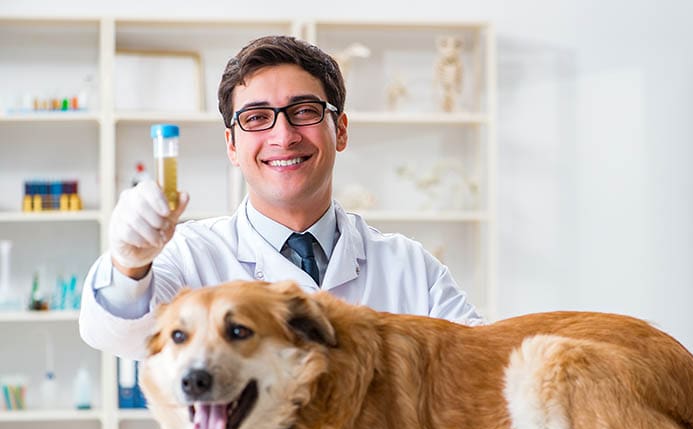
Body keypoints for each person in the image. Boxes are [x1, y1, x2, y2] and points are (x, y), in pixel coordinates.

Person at [79, 35, 482, 359]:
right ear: (232, 146)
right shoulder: (191, 257)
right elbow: (117, 337)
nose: (283, 135)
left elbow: (481, 369)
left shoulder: (408, 267)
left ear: (340, 130)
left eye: (304, 111)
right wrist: (128, 265)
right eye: (256, 118)